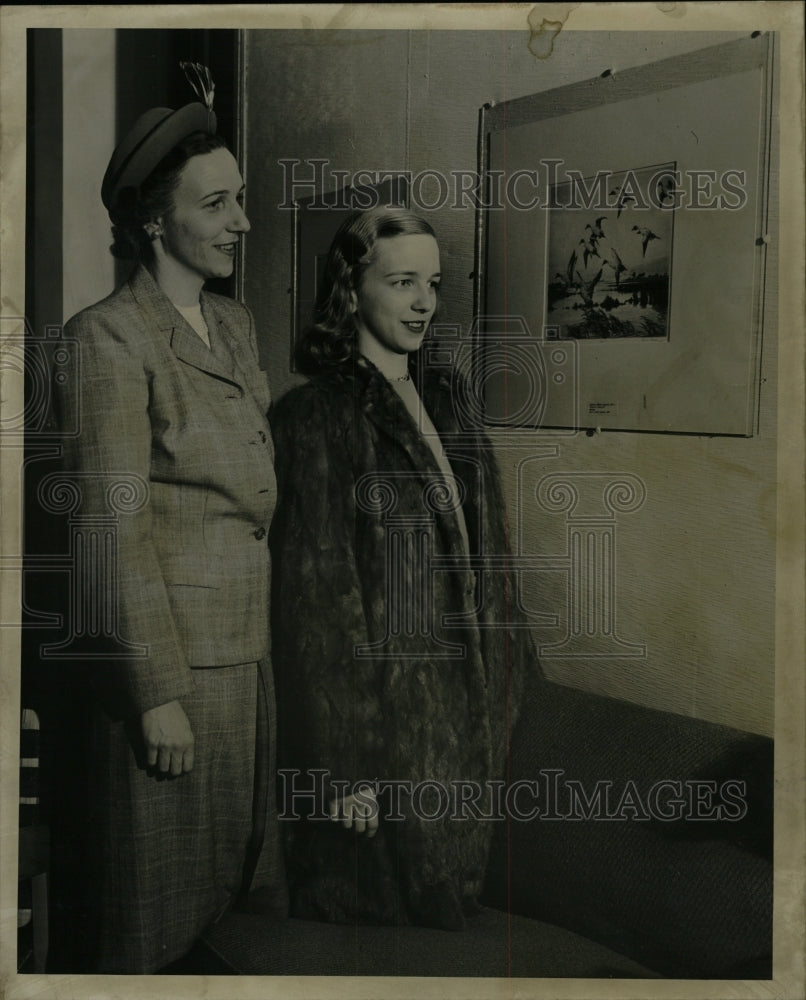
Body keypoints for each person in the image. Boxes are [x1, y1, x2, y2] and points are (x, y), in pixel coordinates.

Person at [52, 90, 285, 973]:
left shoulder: (235, 324)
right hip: (172, 676)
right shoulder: (106, 340)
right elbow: (109, 535)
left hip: (246, 659)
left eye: (240, 198)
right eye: (216, 204)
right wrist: (154, 694)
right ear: (156, 220)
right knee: (154, 924)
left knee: (234, 911)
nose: (243, 221)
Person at [270, 207, 537, 930]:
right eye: (402, 282)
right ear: (351, 291)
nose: (424, 302)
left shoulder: (448, 399)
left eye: (435, 284)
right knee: (381, 942)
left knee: (456, 927)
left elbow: (493, 562)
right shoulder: (313, 417)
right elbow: (316, 600)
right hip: (382, 737)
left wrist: (516, 694)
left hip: (465, 725)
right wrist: (335, 769)